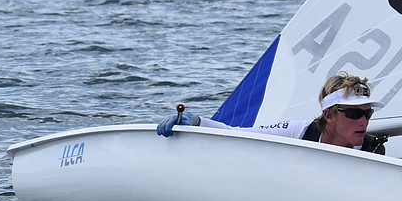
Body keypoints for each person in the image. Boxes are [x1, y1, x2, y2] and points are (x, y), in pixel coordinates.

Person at [156, 71, 387, 154]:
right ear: (329, 115)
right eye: (354, 114)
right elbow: (240, 135)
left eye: (368, 114)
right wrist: (196, 122)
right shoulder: (299, 131)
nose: (363, 122)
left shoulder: (373, 150)